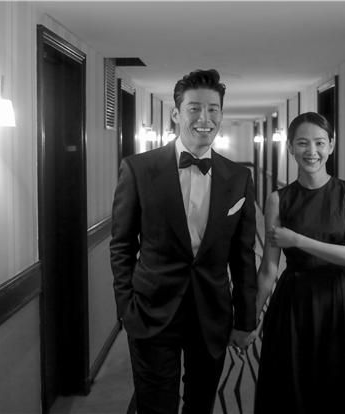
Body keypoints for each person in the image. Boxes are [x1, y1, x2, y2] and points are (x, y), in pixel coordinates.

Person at [110, 69, 257, 414]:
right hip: (151, 309)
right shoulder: (138, 169)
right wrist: (126, 307)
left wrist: (245, 318)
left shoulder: (239, 177)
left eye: (213, 109)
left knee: (201, 403)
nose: (205, 118)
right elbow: (121, 245)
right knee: (155, 405)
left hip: (212, 311)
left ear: (221, 114)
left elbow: (243, 254)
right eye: (194, 108)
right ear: (176, 114)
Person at [252, 112, 345, 413]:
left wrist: (297, 240)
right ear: (290, 147)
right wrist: (249, 319)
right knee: (292, 388)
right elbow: (268, 269)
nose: (312, 151)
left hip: (337, 301)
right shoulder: (278, 200)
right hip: (293, 302)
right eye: (302, 143)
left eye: (320, 142)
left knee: (338, 387)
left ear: (331, 145)